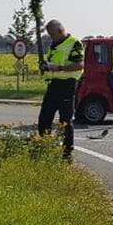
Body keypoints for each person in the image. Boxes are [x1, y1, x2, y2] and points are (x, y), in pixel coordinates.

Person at [38, 19, 84, 159]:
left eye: (52, 34)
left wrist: (59, 68)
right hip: (53, 84)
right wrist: (46, 67)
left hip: (67, 85)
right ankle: (44, 147)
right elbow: (54, 62)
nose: (51, 37)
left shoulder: (73, 43)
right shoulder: (54, 44)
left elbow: (79, 65)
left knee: (65, 120)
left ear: (60, 31)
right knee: (44, 118)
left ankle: (67, 152)